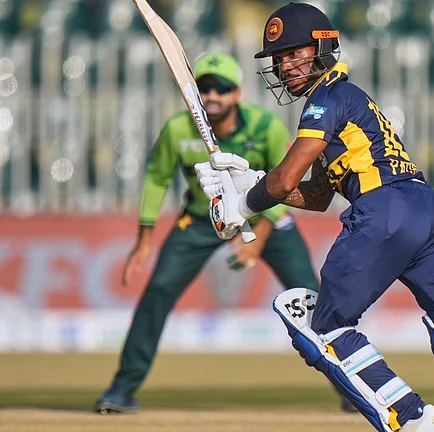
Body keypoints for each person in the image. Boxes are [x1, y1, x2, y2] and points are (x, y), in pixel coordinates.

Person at [194, 3, 434, 432]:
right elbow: (317, 195)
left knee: (322, 328)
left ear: (323, 48)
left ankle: (414, 419)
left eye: (295, 53)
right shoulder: (346, 101)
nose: (285, 65)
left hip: (385, 210)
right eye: (280, 58)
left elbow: (285, 177)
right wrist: (251, 178)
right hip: (429, 210)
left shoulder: (326, 97)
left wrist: (241, 204)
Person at [95, 52, 355, 414]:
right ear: (195, 94)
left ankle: (351, 385)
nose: (213, 95)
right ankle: (122, 389)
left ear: (237, 94)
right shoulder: (178, 129)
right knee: (157, 293)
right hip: (202, 220)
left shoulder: (265, 126)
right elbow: (157, 178)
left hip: (266, 216)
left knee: (311, 297)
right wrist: (144, 239)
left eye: (222, 88)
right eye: (205, 88)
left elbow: (284, 185)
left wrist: (259, 239)